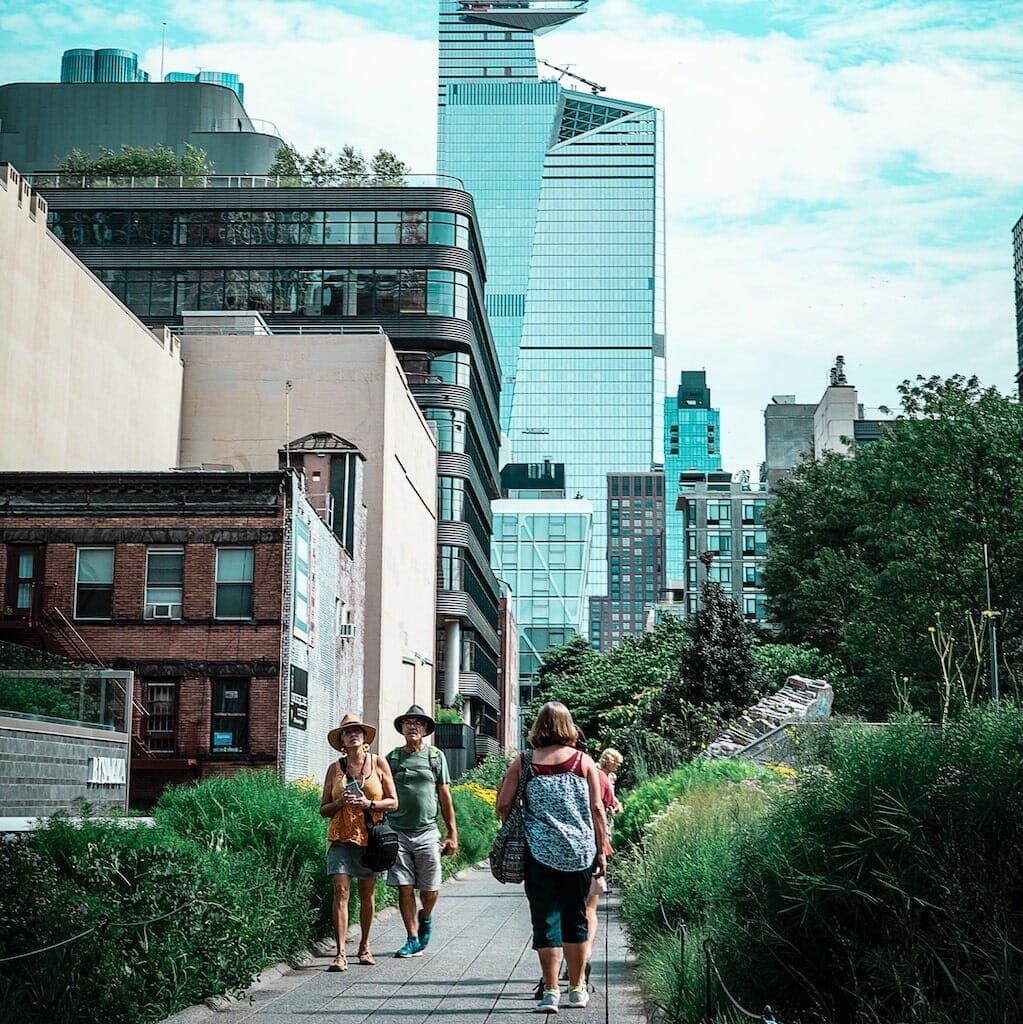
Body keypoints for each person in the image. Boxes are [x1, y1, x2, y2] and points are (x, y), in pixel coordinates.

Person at [497, 701, 607, 1014]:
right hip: (579, 853)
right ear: (569, 726)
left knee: (545, 921)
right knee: (576, 918)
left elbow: (504, 805)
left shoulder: (525, 761)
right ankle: (577, 988)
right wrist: (601, 850)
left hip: (538, 853)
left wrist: (521, 824)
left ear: (539, 726)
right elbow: (598, 809)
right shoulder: (584, 762)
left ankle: (551, 992)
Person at [319, 713, 398, 972]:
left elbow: (393, 802)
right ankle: (340, 952)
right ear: (342, 740)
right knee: (341, 891)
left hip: (370, 838)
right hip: (340, 836)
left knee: (367, 894)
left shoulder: (379, 764)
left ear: (365, 739)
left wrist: (369, 804)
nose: (354, 734)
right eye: (348, 732)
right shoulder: (335, 769)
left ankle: (364, 946)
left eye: (358, 731)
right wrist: (340, 802)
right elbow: (323, 809)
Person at [386, 704, 458, 958]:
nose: (413, 726)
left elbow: (445, 796)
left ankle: (425, 917)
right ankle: (412, 938)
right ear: (402, 728)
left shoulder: (436, 757)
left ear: (426, 729)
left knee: (430, 890)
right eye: (408, 722)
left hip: (427, 831)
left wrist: (452, 833)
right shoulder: (393, 759)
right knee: (404, 886)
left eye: (418, 722)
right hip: (397, 831)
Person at [581, 747, 625, 983]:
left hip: (558, 851)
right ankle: (584, 955)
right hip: (591, 846)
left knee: (561, 910)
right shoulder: (598, 776)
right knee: (589, 909)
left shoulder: (537, 766)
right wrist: (601, 852)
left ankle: (552, 978)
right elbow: (602, 806)